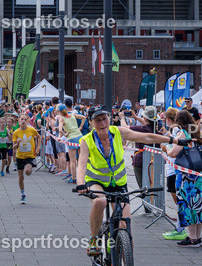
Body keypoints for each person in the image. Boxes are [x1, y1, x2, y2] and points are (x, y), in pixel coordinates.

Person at [76, 106, 178, 255]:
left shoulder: (118, 132)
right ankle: (94, 238)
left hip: (118, 183)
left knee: (125, 228)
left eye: (105, 119)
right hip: (96, 181)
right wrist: (80, 183)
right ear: (91, 123)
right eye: (98, 121)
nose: (103, 123)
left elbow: (147, 137)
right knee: (100, 202)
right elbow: (82, 165)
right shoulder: (86, 140)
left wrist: (172, 139)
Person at [168, 109, 202, 247]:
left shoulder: (182, 133)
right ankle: (197, 237)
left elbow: (174, 153)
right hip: (199, 174)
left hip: (186, 175)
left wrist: (165, 150)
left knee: (188, 205)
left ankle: (191, 238)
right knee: (199, 205)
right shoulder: (198, 132)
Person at [12, 113, 38, 204]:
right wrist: (17, 143)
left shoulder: (32, 130)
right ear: (18, 121)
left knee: (27, 171)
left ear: (27, 121)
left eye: (24, 119)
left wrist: (38, 148)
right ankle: (23, 195)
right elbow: (14, 148)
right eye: (21, 119)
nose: (23, 121)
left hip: (29, 155)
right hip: (19, 156)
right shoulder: (16, 133)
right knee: (20, 177)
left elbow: (39, 137)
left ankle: (31, 166)